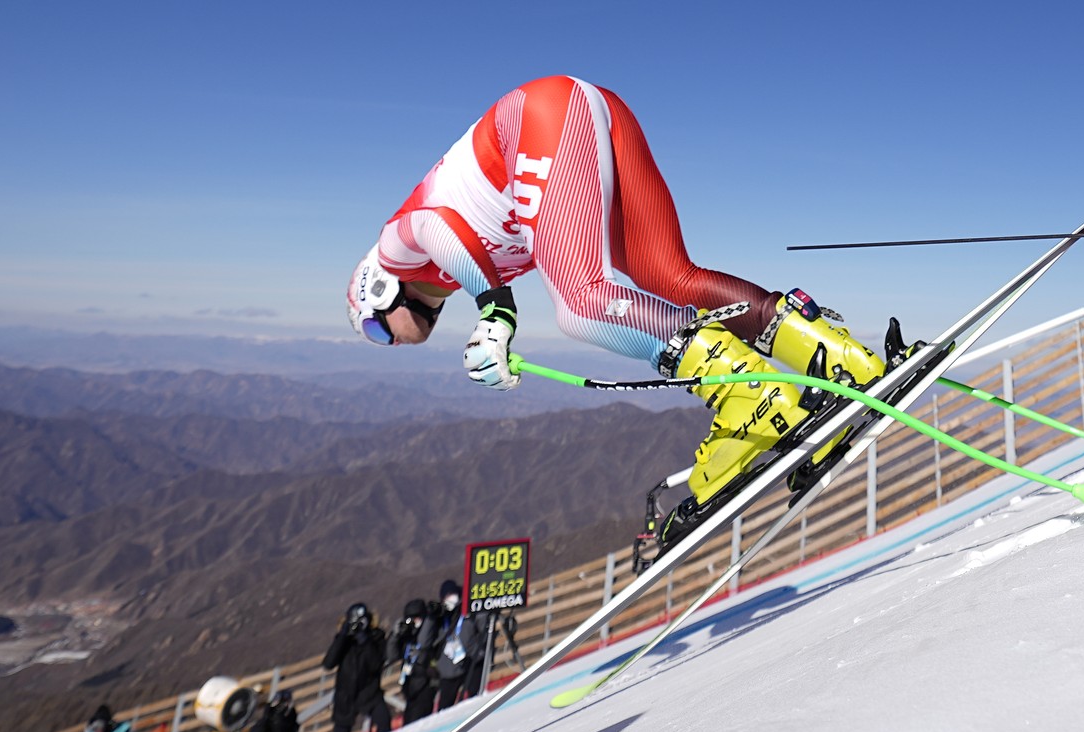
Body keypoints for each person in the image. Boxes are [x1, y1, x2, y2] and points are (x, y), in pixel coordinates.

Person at [345, 75, 911, 545]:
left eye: (376, 330)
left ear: (377, 292)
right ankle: (834, 357)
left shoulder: (397, 250)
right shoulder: (453, 269)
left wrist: (496, 315)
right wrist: (491, 306)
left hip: (541, 120)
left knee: (582, 303)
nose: (387, 340)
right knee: (669, 277)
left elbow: (433, 226)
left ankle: (751, 396)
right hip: (583, 109)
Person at [321, 602, 392, 732]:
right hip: (345, 696)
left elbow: (375, 665)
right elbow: (328, 663)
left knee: (384, 720)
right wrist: (342, 636)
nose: (358, 626)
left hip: (369, 692)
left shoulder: (376, 637)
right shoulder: (344, 641)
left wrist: (364, 641)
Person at [417, 580, 488, 710]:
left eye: (453, 595)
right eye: (447, 596)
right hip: (448, 671)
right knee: (445, 709)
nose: (451, 599)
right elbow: (423, 642)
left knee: (476, 702)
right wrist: (430, 618)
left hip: (472, 663)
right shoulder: (439, 619)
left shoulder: (468, 611)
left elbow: (484, 627)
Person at [387, 597, 441, 724]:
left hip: (425, 683)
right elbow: (392, 656)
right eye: (409, 619)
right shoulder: (407, 637)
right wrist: (395, 636)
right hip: (410, 687)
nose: (413, 622)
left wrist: (428, 619)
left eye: (416, 618)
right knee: (408, 722)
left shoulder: (430, 630)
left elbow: (423, 643)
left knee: (420, 722)